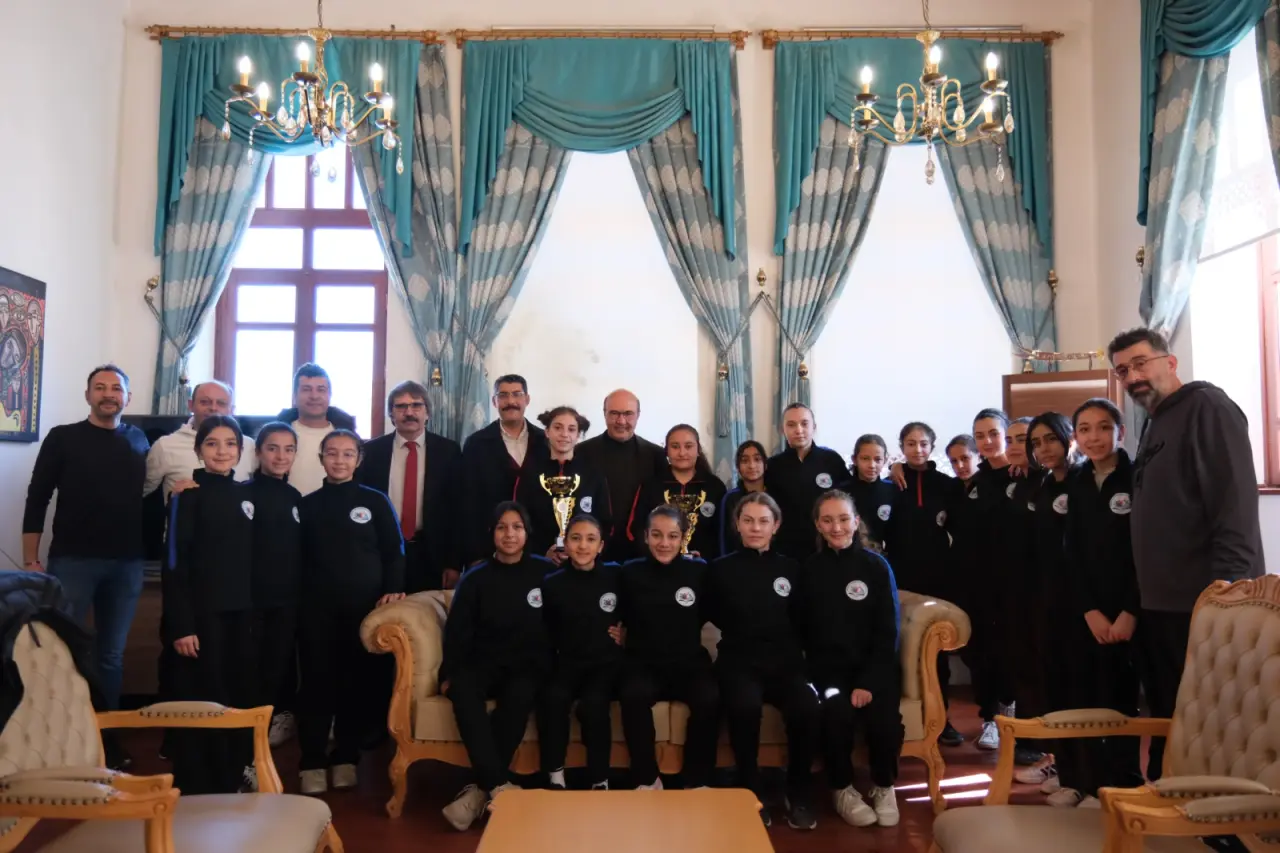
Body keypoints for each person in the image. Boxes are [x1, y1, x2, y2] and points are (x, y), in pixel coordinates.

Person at [1107, 327, 1263, 780]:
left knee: (1215, 723)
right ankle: (1169, 798)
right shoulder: (1155, 421)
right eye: (1123, 370)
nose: (1132, 376)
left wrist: (1228, 595)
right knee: (1172, 714)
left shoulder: (1207, 407)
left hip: (1206, 603)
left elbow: (1234, 506)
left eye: (1140, 363)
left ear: (1170, 362)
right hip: (1161, 606)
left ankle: (1220, 814)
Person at [22, 364, 150, 713]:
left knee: (111, 655)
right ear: (88, 395)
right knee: (63, 649)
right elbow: (37, 498)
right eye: (100, 387)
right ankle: (62, 730)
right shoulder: (62, 438)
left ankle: (104, 732)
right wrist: (31, 559)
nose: (108, 394)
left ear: (127, 397)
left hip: (127, 565)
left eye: (116, 388)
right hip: (72, 562)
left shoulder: (140, 440)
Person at [297, 430, 405, 795]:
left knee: (354, 683)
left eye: (347, 454)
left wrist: (393, 589)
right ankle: (312, 761)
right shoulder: (307, 505)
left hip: (364, 611)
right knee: (316, 684)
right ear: (321, 459)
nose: (339, 460)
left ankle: (346, 756)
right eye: (332, 453)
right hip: (316, 611)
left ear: (359, 460)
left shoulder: (375, 501)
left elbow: (394, 551)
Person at [705, 493, 819, 830]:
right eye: (749, 520)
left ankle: (798, 790)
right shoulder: (719, 569)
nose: (756, 528)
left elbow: (803, 620)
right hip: (739, 661)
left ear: (776, 526)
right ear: (737, 525)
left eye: (763, 521)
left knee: (806, 706)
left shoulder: (791, 569)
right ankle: (749, 788)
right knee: (744, 706)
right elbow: (705, 613)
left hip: (785, 663)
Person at [440, 502, 552, 831]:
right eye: (502, 527)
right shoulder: (474, 578)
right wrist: (449, 674)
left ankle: (479, 792)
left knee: (519, 696)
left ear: (527, 532)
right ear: (492, 533)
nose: (509, 534)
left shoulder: (546, 572)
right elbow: (457, 633)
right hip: (484, 662)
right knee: (462, 689)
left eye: (517, 527)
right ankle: (498, 785)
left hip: (528, 665)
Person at [793, 490, 902, 828]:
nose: (836, 527)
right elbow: (803, 630)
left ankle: (884, 785)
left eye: (843, 519)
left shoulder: (876, 566)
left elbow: (888, 632)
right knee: (835, 715)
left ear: (856, 522)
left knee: (884, 722)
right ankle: (841, 788)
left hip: (874, 670)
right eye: (827, 520)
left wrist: (868, 683)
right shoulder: (809, 570)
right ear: (818, 525)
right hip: (829, 675)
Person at [162, 415, 255, 794]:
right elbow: (174, 563)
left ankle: (233, 775)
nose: (222, 451)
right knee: (206, 698)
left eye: (230, 443)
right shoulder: (187, 496)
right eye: (212, 443)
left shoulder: (247, 495)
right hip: (203, 617)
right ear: (199, 450)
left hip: (241, 616)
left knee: (237, 696)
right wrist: (181, 625)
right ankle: (201, 784)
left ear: (240, 450)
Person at [1060, 398, 1142, 805]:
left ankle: (1122, 786)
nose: (1094, 437)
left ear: (1120, 432)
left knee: (1121, 701)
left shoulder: (1138, 477)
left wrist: (1130, 611)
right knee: (1086, 696)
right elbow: (1071, 552)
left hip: (1129, 613)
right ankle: (1088, 783)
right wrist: (1088, 610)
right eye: (1085, 429)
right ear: (1076, 437)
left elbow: (1146, 552)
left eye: (1104, 427)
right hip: (1088, 613)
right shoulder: (1076, 480)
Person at [617, 505, 719, 790]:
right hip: (643, 664)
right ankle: (647, 778)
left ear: (683, 538)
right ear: (646, 536)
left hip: (688, 663)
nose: (664, 543)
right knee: (633, 695)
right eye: (657, 535)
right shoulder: (628, 572)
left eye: (672, 536)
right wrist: (613, 630)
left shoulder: (699, 570)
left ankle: (696, 780)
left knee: (709, 697)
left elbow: (715, 610)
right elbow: (611, 610)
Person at [883, 423, 960, 746]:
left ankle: (942, 719)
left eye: (923, 443)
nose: (917, 449)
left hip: (937, 578)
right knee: (903, 649)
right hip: (899, 578)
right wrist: (891, 469)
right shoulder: (891, 484)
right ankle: (905, 718)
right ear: (901, 446)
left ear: (932, 446)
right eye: (911, 443)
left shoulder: (947, 485)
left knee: (936, 652)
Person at [1016, 412, 1080, 797]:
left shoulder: (1083, 482)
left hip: (1080, 603)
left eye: (1051, 439)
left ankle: (1083, 771)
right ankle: (1061, 761)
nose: (1044, 449)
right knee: (1053, 683)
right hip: (1045, 600)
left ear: (1068, 437)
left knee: (1079, 688)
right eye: (1036, 443)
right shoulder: (1041, 485)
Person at [537, 514, 622, 792]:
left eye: (590, 539)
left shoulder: (616, 577)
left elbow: (638, 610)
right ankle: (555, 775)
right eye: (576, 538)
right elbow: (545, 630)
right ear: (565, 542)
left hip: (605, 664)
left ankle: (600, 778)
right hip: (567, 663)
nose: (583, 546)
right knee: (553, 699)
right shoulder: (552, 583)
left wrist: (628, 632)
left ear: (601, 546)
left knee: (595, 704)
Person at [359, 381, 463, 591]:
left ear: (427, 413)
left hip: (432, 555)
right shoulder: (371, 452)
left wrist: (454, 563)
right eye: (401, 406)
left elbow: (458, 509)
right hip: (382, 551)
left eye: (416, 405)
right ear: (391, 414)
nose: (409, 412)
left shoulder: (448, 451)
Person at [245, 422, 304, 771]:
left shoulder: (294, 497)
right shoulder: (243, 494)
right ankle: (247, 747)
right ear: (258, 452)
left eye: (288, 449)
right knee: (253, 672)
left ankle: (267, 736)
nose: (281, 456)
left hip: (287, 601)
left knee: (278, 669)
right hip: (252, 602)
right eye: (272, 448)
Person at [461, 374, 546, 565]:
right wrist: (473, 554)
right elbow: (468, 502)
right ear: (494, 401)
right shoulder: (476, 444)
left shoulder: (545, 442)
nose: (510, 402)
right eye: (503, 395)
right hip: (489, 547)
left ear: (527, 399)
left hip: (539, 548)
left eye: (517, 394)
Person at [576, 389, 666, 562]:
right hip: (593, 550)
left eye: (628, 414)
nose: (621, 421)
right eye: (614, 413)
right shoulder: (582, 452)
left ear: (638, 415)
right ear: (604, 414)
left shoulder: (656, 455)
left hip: (643, 551)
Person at [516, 406, 612, 562]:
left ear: (578, 435)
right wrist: (542, 553)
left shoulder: (593, 474)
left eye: (571, 429)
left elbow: (604, 522)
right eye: (558, 428)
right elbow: (520, 521)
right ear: (547, 432)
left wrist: (586, 552)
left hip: (584, 562)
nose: (564, 434)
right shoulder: (531, 474)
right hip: (540, 562)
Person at [144, 380, 256, 501]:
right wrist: (175, 497)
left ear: (232, 409)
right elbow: (143, 491)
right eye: (204, 402)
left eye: (221, 403)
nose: (213, 408)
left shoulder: (249, 445)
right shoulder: (165, 445)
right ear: (191, 405)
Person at [630, 424, 727, 561]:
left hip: (704, 566)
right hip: (657, 564)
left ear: (698, 450)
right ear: (666, 451)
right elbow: (636, 529)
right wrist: (655, 556)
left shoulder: (715, 486)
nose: (682, 453)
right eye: (675, 447)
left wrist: (706, 558)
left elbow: (723, 533)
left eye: (688, 446)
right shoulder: (651, 485)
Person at [765, 404, 849, 561]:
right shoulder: (773, 465)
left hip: (827, 546)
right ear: (782, 430)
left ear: (814, 427)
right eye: (791, 425)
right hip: (785, 549)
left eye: (804, 424)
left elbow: (852, 495)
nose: (799, 430)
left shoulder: (831, 460)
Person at [277, 363, 358, 496]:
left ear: (329, 395)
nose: (314, 396)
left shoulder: (347, 437)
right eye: (306, 389)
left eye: (321, 390)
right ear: (295, 396)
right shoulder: (278, 435)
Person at [846, 434, 896, 549]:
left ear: (885, 460)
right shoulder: (841, 492)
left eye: (877, 459)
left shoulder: (893, 490)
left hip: (881, 555)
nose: (872, 465)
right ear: (854, 459)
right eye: (865, 459)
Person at [719, 440, 767, 555]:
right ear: (737, 467)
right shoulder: (730, 498)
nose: (752, 466)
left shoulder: (776, 495)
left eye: (757, 459)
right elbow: (724, 538)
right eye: (745, 461)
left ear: (765, 464)